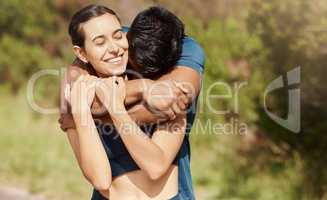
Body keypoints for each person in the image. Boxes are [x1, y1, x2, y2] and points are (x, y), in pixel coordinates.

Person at [59, 5, 205, 200]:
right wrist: (81, 113)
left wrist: (116, 107)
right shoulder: (79, 94)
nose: (114, 48)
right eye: (100, 42)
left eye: (118, 36)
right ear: (82, 54)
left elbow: (155, 167)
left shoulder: (162, 85)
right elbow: (101, 181)